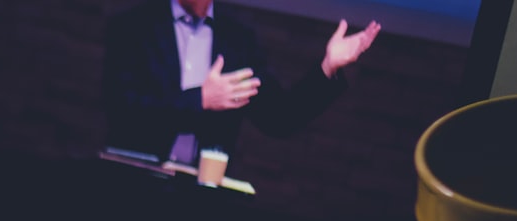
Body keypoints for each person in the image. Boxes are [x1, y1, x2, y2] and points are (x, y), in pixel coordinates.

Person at [103, 0, 380, 166]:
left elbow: (280, 118)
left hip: (201, 198)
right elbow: (121, 109)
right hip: (133, 182)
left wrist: (327, 67)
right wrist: (200, 101)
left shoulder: (236, 39)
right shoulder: (133, 26)